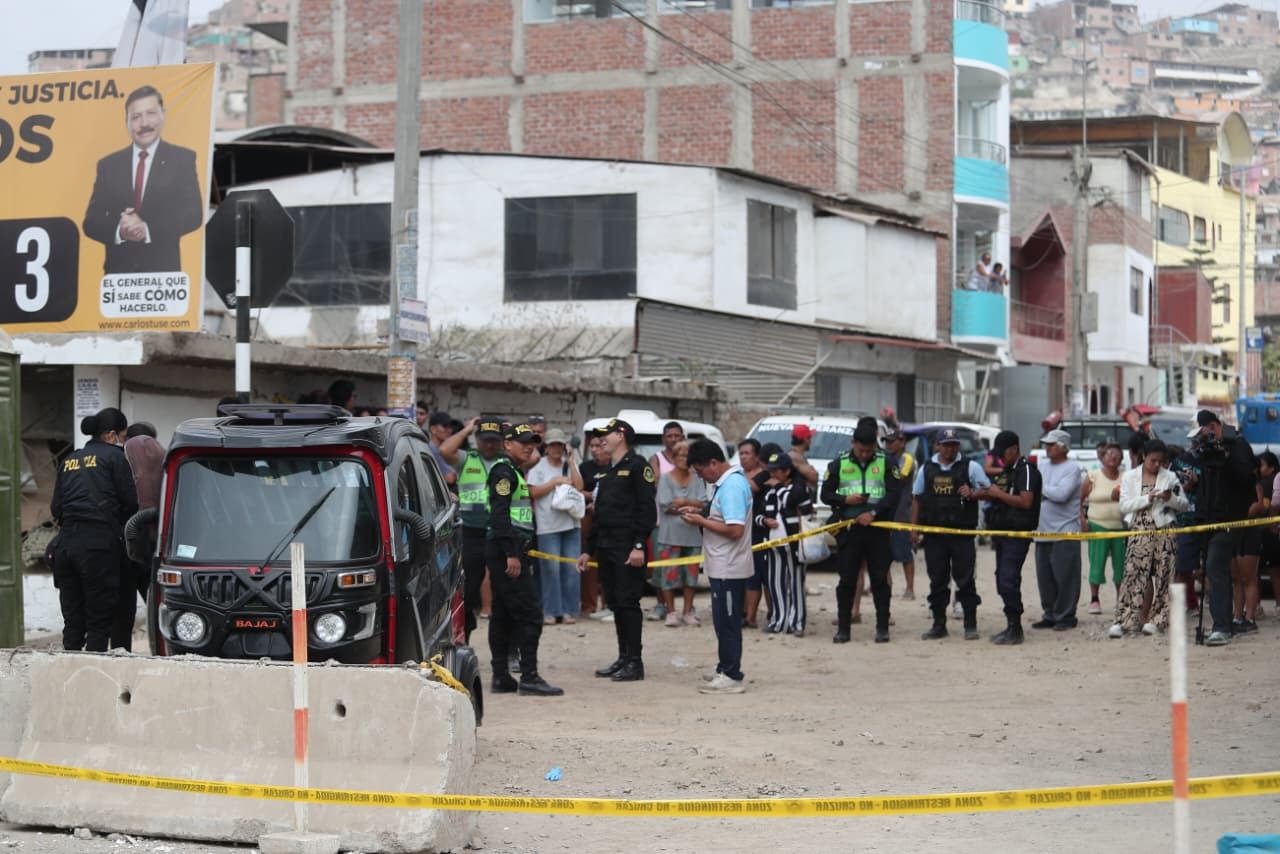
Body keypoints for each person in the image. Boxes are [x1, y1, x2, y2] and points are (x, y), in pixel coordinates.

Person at [82, 85, 202, 275]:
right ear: (126, 122)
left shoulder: (182, 159)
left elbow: (193, 215)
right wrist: (121, 231)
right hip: (119, 277)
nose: (144, 123)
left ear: (163, 115)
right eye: (135, 117)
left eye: (151, 113)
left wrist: (146, 229)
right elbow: (91, 222)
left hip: (163, 276)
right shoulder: (108, 165)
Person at [49, 408, 138, 652]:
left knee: (73, 621)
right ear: (110, 435)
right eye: (122, 436)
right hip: (97, 546)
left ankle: (69, 675)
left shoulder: (69, 460)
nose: (122, 442)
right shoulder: (114, 457)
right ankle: (92, 680)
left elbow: (56, 508)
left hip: (66, 545)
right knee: (99, 622)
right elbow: (131, 502)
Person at [485, 422, 563, 697]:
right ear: (507, 444)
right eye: (523, 442)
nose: (529, 446)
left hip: (508, 549)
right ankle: (529, 676)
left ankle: (501, 677)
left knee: (503, 615)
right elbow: (499, 516)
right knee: (530, 614)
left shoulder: (514, 472)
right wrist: (511, 554)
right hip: (508, 551)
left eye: (532, 442)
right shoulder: (504, 472)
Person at [577, 418, 657, 682]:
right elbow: (601, 516)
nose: (601, 440)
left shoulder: (637, 467)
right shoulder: (607, 472)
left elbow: (647, 510)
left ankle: (635, 661)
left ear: (621, 435)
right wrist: (588, 550)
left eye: (606, 435)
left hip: (627, 545)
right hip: (607, 546)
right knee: (615, 604)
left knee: (628, 603)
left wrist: (638, 545)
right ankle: (623, 658)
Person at [821, 418, 903, 644]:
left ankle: (882, 627)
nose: (865, 454)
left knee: (879, 580)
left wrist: (874, 513)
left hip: (877, 529)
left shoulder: (887, 461)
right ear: (853, 443)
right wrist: (845, 499)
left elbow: (894, 494)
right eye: (861, 449)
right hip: (849, 529)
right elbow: (825, 494)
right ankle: (844, 629)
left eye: (869, 450)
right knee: (846, 580)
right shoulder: (839, 463)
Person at [681, 439, 753, 695]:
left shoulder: (732, 485)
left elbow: (735, 529)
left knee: (729, 622)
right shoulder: (724, 485)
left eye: (701, 471)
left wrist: (701, 520)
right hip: (721, 565)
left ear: (714, 463)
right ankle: (725, 667)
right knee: (722, 621)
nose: (701, 476)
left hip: (729, 566)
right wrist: (702, 513)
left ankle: (732, 675)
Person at [1184, 409, 1256, 646]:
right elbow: (1205, 482)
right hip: (1208, 519)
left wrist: (1225, 459)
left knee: (1216, 565)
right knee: (1215, 570)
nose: (1201, 439)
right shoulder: (1206, 450)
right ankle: (1224, 623)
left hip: (1230, 519)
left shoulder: (1238, 445)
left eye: (1203, 433)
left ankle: (1222, 627)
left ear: (1214, 426)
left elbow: (1246, 477)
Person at [911, 428, 990, 641]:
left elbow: (988, 490)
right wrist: (914, 528)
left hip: (962, 533)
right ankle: (938, 624)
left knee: (965, 580)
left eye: (954, 444)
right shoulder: (927, 469)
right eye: (946, 444)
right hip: (935, 535)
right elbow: (917, 498)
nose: (950, 449)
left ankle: (970, 625)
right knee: (937, 580)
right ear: (938, 445)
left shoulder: (970, 467)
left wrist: (973, 493)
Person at [1111, 439, 1187, 638]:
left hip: (1164, 530)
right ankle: (1125, 619)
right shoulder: (1129, 477)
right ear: (1144, 456)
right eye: (1153, 460)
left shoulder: (1170, 477)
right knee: (1133, 575)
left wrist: (1168, 497)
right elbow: (1124, 506)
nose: (1156, 465)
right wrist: (1148, 498)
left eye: (1161, 461)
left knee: (1164, 576)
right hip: (1138, 529)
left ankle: (1158, 620)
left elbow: (1183, 504)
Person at [439, 416, 505, 641]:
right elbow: (445, 449)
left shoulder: (507, 461)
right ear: (477, 439)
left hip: (499, 533)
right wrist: (467, 428)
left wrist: (511, 433)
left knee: (504, 591)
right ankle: (463, 637)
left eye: (494, 440)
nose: (489, 445)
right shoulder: (467, 459)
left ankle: (509, 647)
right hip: (471, 533)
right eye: (485, 440)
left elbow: (533, 457)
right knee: (467, 588)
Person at [982, 430, 1042, 645]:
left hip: (1017, 533)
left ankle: (1016, 628)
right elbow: (996, 491)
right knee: (1002, 580)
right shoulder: (1008, 470)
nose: (999, 458)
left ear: (1014, 449)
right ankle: (1011, 625)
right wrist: (976, 493)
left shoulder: (1026, 470)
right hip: (1003, 533)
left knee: (1008, 580)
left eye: (1003, 453)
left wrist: (998, 495)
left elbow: (1026, 501)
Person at [526, 428, 585, 626]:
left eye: (560, 445)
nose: (556, 449)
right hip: (548, 525)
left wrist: (571, 463)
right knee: (550, 569)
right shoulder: (538, 468)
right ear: (546, 447)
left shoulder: (569, 464)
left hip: (571, 524)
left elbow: (579, 486)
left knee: (571, 568)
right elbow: (532, 493)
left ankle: (568, 610)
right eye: (553, 445)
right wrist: (554, 482)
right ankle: (550, 610)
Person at [1033, 429, 1084, 631]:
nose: (1047, 447)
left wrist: (1041, 489)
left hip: (1065, 531)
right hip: (1042, 530)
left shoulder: (1072, 469)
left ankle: (1066, 615)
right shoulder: (1041, 466)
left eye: (1051, 444)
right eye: (1046, 444)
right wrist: (1045, 491)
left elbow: (1062, 494)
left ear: (1063, 447)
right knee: (1045, 577)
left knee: (1066, 576)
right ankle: (1050, 613)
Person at [760, 448, 813, 636]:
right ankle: (778, 621)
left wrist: (777, 488)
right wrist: (765, 521)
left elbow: (791, 501)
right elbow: (761, 514)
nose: (772, 474)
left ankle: (797, 623)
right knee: (775, 584)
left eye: (776, 471)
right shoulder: (769, 492)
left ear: (787, 471)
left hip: (795, 545)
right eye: (770, 470)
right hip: (773, 545)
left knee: (796, 585)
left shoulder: (798, 488)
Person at [654, 440, 706, 627]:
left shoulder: (698, 478)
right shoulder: (666, 478)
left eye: (687, 456)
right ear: (674, 458)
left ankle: (687, 611)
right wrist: (690, 506)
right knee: (668, 575)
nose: (684, 459)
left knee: (691, 577)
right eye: (680, 455)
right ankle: (671, 612)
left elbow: (703, 503)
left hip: (692, 537)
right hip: (669, 535)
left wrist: (682, 501)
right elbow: (666, 504)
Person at [120, 428, 165, 642]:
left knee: (123, 611)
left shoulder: (122, 465)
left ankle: (120, 652)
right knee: (159, 606)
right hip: (156, 548)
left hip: (129, 548)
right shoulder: (165, 468)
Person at [646, 420, 687, 622]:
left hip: (686, 520)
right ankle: (662, 605)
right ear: (664, 439)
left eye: (676, 436)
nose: (673, 439)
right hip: (661, 520)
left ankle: (686, 609)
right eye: (669, 436)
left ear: (682, 437)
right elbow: (654, 483)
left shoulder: (688, 459)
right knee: (661, 566)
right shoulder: (656, 459)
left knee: (685, 566)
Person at [1082, 443, 1126, 615]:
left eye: (1117, 454)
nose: (1113, 457)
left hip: (1121, 528)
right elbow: (1079, 499)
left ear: (1122, 460)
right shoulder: (1093, 476)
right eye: (1110, 453)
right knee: (1097, 563)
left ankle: (1120, 600)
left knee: (1121, 565)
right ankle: (1094, 599)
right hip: (1097, 525)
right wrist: (1082, 519)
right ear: (1103, 457)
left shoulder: (1126, 477)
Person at [737, 437, 771, 628]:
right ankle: (747, 614)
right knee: (745, 573)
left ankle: (767, 614)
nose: (743, 457)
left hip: (761, 530)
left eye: (747, 453)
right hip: (741, 529)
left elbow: (752, 487)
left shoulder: (765, 474)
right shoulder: (739, 474)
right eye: (741, 453)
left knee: (761, 574)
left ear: (757, 456)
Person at [578, 434, 612, 620]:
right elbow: (577, 488)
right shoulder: (585, 467)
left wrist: (601, 500)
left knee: (608, 561)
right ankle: (589, 605)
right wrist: (594, 497)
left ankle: (608, 604)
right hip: (588, 518)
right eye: (592, 446)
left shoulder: (613, 467)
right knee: (588, 561)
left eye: (598, 446)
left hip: (608, 519)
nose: (594, 450)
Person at [884, 429, 916, 600]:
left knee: (904, 553)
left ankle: (910, 588)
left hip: (902, 513)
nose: (888, 444)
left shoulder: (906, 459)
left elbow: (900, 480)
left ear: (902, 442)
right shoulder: (886, 459)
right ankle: (884, 585)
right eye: (887, 441)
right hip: (886, 512)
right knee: (883, 552)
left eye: (892, 441)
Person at [425, 411, 459, 486]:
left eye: (450, 427)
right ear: (433, 429)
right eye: (445, 426)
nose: (449, 430)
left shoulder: (442, 449)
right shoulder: (432, 450)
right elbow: (450, 478)